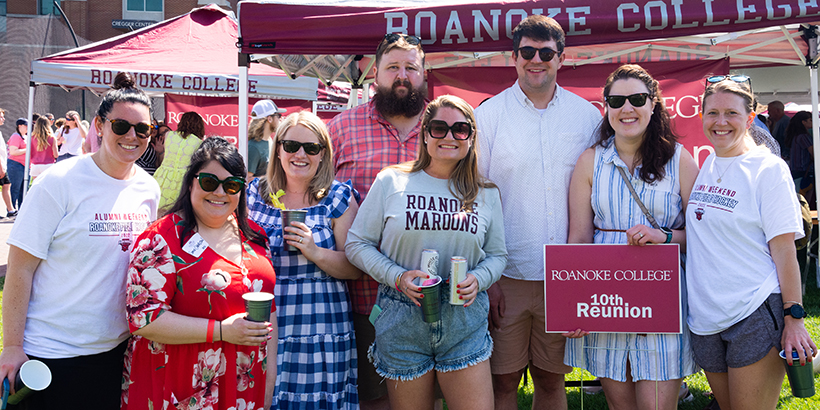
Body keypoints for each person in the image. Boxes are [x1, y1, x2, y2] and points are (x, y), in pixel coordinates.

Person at [0, 72, 160, 409]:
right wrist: (13, 345)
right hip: (50, 354)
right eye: (121, 126)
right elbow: (19, 268)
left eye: (142, 129)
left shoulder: (148, 189)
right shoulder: (60, 183)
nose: (132, 136)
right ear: (100, 127)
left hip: (115, 353)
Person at [346, 94, 507, 410]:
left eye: (460, 129)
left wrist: (479, 278)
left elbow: (498, 255)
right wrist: (398, 276)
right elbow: (356, 244)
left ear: (471, 137)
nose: (449, 136)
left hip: (464, 317)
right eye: (439, 128)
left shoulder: (485, 192)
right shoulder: (391, 181)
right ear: (424, 134)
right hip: (402, 315)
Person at [473, 15, 601, 410]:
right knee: (504, 380)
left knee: (551, 380)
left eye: (546, 52)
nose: (536, 60)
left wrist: (584, 278)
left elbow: (599, 194)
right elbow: (476, 199)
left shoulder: (588, 117)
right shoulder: (488, 116)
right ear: (513, 58)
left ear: (561, 58)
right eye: (527, 51)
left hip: (565, 273)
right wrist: (486, 278)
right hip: (506, 273)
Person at [563, 64, 700, 410]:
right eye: (617, 100)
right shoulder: (589, 162)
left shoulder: (679, 161)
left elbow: (705, 236)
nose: (627, 109)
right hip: (606, 300)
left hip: (661, 302)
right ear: (606, 106)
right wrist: (572, 307)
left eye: (637, 99)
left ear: (653, 104)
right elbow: (578, 237)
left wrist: (665, 237)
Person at [687, 77, 817, 410]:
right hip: (705, 318)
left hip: (752, 312)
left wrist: (794, 318)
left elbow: (785, 249)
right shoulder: (709, 164)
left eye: (731, 113)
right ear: (701, 117)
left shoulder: (767, 168)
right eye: (712, 113)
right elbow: (706, 235)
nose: (720, 122)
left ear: (749, 118)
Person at [123, 136, 277, 410]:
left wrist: (268, 386)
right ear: (191, 181)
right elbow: (144, 320)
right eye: (209, 182)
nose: (220, 192)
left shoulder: (254, 237)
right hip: (179, 387)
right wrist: (221, 332)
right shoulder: (160, 240)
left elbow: (269, 317)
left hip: (243, 385)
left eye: (232, 185)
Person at [326, 32, 427, 410]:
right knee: (371, 398)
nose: (402, 76)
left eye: (410, 68)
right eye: (393, 67)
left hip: (429, 294)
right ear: (376, 76)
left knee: (424, 399)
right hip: (364, 295)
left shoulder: (444, 129)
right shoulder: (341, 128)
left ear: (424, 74)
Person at [247, 111, 360, 409]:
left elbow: (354, 268)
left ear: (323, 154)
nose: (300, 154)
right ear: (278, 149)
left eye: (311, 148)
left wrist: (314, 250)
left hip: (319, 322)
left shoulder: (338, 197)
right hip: (264, 319)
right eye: (291, 145)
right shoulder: (253, 195)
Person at [154, 111, 205, 210]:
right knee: (178, 211)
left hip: (163, 175)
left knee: (157, 206)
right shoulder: (198, 142)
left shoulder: (169, 134)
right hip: (184, 178)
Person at [247, 99, 285, 180]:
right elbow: (247, 179)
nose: (280, 119)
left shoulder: (269, 140)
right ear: (269, 119)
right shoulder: (253, 147)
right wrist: (271, 178)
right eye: (278, 116)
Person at [6, 118, 27, 214]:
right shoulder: (15, 136)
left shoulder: (25, 137)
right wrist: (27, 149)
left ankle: (21, 211)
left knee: (23, 189)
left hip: (25, 166)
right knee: (15, 188)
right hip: (15, 165)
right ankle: (11, 210)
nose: (28, 128)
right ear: (20, 126)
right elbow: (13, 152)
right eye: (25, 126)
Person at [786, 111, 813, 184]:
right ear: (803, 122)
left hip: (796, 170)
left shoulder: (796, 136)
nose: (813, 122)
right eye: (810, 120)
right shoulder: (803, 137)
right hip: (803, 170)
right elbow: (814, 153)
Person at [0, 108, 13, 218]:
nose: (3, 119)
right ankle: (10, 210)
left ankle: (11, 210)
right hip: (0, 166)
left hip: (3, 164)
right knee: (6, 184)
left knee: (7, 184)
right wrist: (1, 167)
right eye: (1, 116)